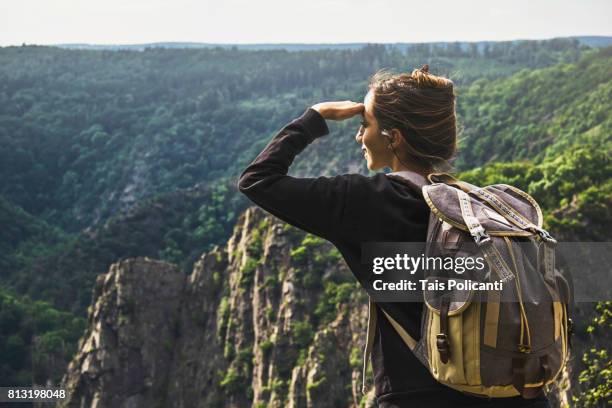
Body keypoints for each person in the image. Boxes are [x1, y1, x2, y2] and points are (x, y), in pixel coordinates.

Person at [237, 65, 550, 407]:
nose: (359, 136)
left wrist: (315, 117)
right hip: (515, 394)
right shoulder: (485, 208)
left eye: (364, 125)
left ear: (393, 137)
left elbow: (258, 179)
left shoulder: (364, 202)